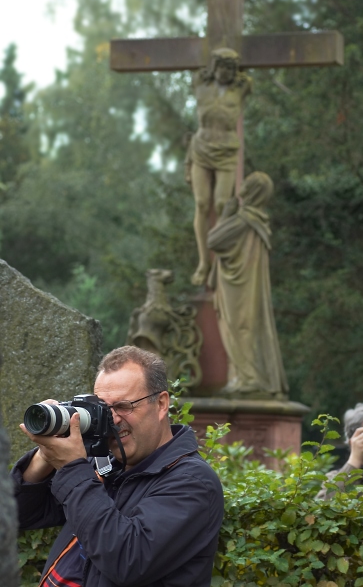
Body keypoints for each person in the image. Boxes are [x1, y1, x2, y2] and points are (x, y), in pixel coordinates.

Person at [11, 345, 224, 587]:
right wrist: (45, 455)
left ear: (161, 404)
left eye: (123, 406)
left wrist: (72, 467)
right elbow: (19, 513)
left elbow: (127, 560)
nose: (112, 419)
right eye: (102, 408)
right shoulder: (105, 467)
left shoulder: (193, 482)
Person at [207, 171, 289, 397]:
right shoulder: (259, 219)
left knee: (239, 328)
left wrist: (225, 215)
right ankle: (247, 377)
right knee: (246, 327)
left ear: (251, 190)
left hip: (237, 287)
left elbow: (213, 240)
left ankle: (249, 378)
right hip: (243, 283)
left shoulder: (244, 219)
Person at [187, 47, 252, 287]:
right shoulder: (200, 86)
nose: (224, 72)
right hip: (201, 148)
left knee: (223, 204)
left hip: (226, 150)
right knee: (202, 203)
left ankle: (223, 260)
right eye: (221, 66)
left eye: (230, 67)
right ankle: (204, 262)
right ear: (213, 67)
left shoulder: (242, 88)